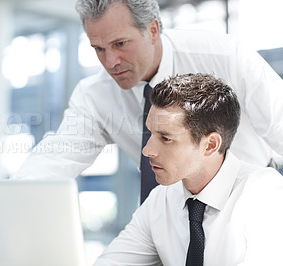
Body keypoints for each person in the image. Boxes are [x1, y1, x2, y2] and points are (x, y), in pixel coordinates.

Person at [12, 0, 283, 201]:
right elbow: (56, 158)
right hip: (172, 220)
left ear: (153, 30)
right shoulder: (95, 95)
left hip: (249, 203)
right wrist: (11, 199)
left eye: (120, 44)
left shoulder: (222, 57)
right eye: (99, 48)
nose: (110, 62)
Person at [94, 73, 283, 265]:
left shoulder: (263, 192)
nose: (147, 150)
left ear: (210, 145)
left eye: (166, 138)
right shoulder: (161, 200)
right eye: (150, 133)